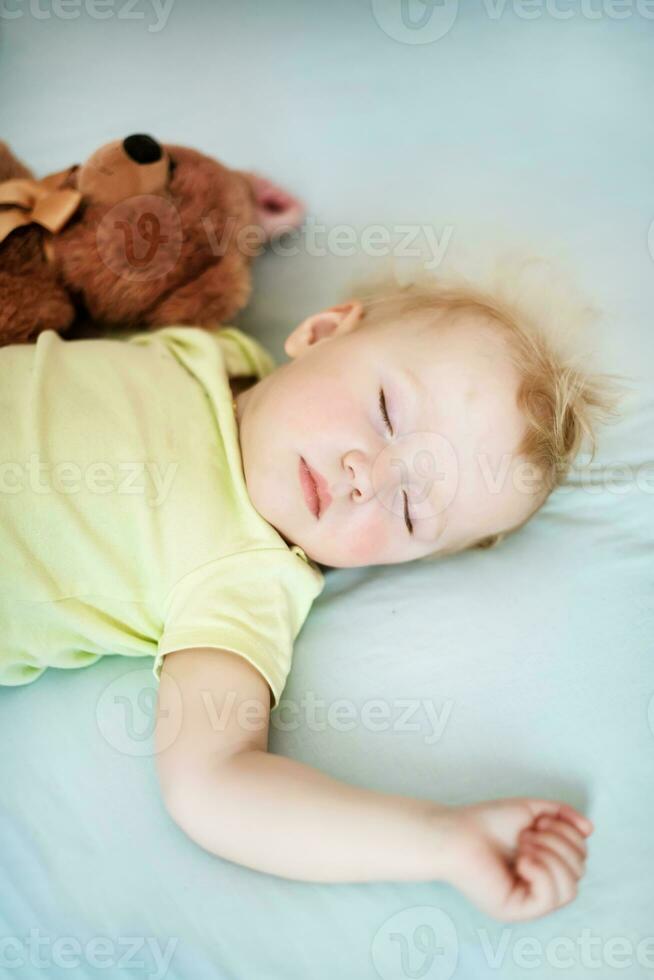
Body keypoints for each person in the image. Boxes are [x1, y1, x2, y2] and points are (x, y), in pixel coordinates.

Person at [0, 268, 615, 921]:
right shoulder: (217, 353)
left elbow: (215, 786)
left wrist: (442, 840)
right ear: (320, 331)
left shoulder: (247, 579)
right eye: (385, 414)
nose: (367, 479)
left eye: (409, 509)